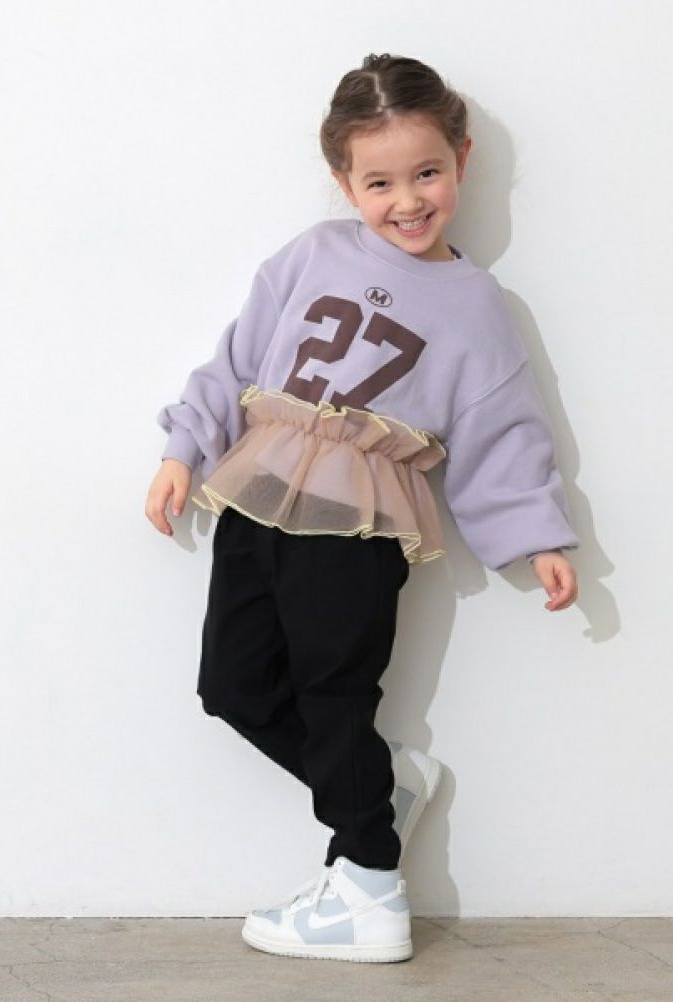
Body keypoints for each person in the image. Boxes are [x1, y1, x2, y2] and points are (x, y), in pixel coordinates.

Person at [145, 53, 579, 964]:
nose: (408, 201)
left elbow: (502, 428)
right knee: (230, 684)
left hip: (360, 521)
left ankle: (372, 886)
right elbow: (237, 360)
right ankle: (379, 794)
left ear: (461, 159)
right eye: (380, 183)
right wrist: (184, 447)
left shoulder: (476, 305)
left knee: (335, 692)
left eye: (427, 173)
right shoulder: (313, 253)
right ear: (345, 181)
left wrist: (534, 534)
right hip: (259, 492)